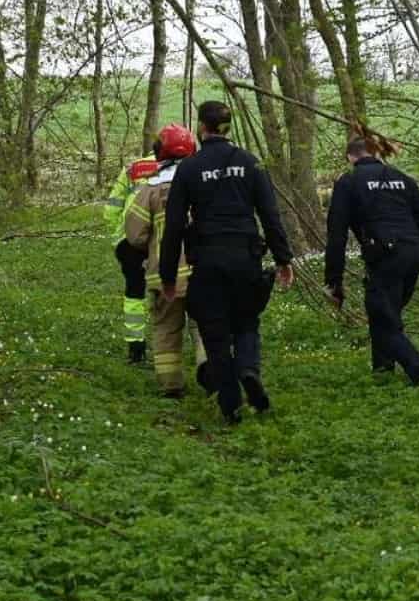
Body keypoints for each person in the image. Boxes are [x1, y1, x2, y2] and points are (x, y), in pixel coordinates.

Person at [158, 100, 296, 424]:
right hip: (245, 257)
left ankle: (231, 406)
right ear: (228, 126)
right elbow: (270, 215)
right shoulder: (251, 163)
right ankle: (249, 369)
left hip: (207, 261)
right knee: (247, 323)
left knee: (215, 332)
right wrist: (283, 259)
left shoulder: (189, 168)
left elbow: (175, 225)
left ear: (201, 128)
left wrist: (167, 275)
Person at [323, 134, 419, 388]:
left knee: (383, 319)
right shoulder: (402, 178)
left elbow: (337, 235)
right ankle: (382, 368)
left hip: (385, 258)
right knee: (386, 315)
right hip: (413, 256)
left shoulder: (349, 182)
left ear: (350, 157)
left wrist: (334, 281)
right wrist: (410, 240)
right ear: (376, 154)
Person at [121, 123, 201, 397]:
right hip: (202, 270)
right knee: (205, 323)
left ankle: (171, 386)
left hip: (163, 275)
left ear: (159, 152)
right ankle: (209, 367)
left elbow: (134, 234)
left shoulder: (150, 189)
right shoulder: (204, 183)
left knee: (166, 328)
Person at [103, 146, 161, 364]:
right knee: (166, 291)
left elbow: (111, 209)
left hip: (129, 241)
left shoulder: (133, 168)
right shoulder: (182, 168)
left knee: (134, 292)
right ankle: (166, 346)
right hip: (162, 241)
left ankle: (135, 348)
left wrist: (119, 238)